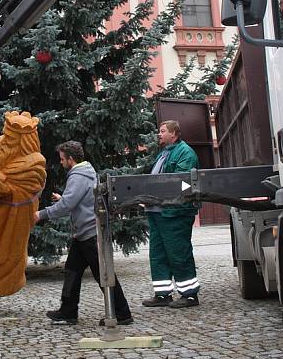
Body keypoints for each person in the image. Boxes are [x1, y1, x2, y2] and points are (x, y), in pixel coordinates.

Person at [35, 141, 133, 326]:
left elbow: (68, 205)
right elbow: (81, 199)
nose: (62, 163)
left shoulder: (78, 176)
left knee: (102, 274)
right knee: (72, 270)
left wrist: (41, 214)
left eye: (63, 159)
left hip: (90, 234)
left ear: (71, 159)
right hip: (84, 234)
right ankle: (68, 311)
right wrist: (63, 198)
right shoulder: (84, 172)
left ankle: (122, 313)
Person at [142, 120, 201, 309]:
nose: (159, 134)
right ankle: (162, 294)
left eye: (162, 131)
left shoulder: (185, 153)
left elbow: (181, 183)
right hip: (158, 212)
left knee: (178, 253)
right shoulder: (165, 153)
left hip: (174, 213)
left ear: (174, 134)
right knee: (158, 254)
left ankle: (190, 295)